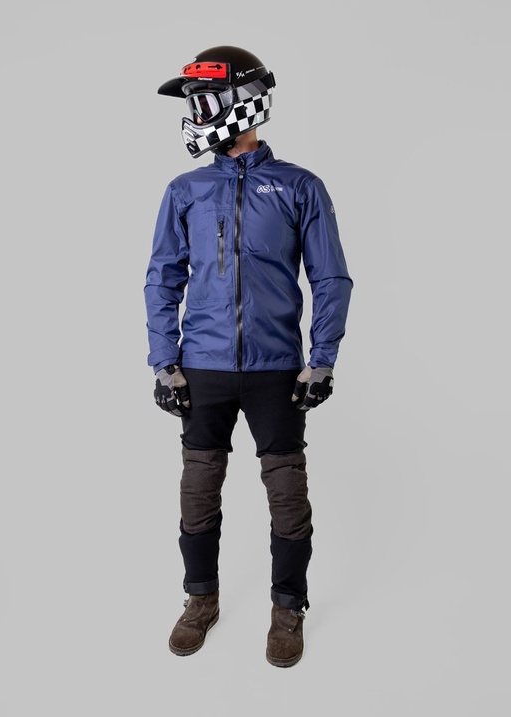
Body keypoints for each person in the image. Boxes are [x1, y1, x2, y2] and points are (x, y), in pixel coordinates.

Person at [143, 45, 353, 667]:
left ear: (244, 102)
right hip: (202, 366)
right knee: (198, 489)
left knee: (287, 492)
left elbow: (330, 277)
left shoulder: (298, 186)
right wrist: (164, 361)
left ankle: (288, 607)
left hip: (277, 369)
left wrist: (322, 358)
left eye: (204, 100)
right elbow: (162, 278)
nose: (194, 114)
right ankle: (200, 600)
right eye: (191, 103)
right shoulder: (185, 190)